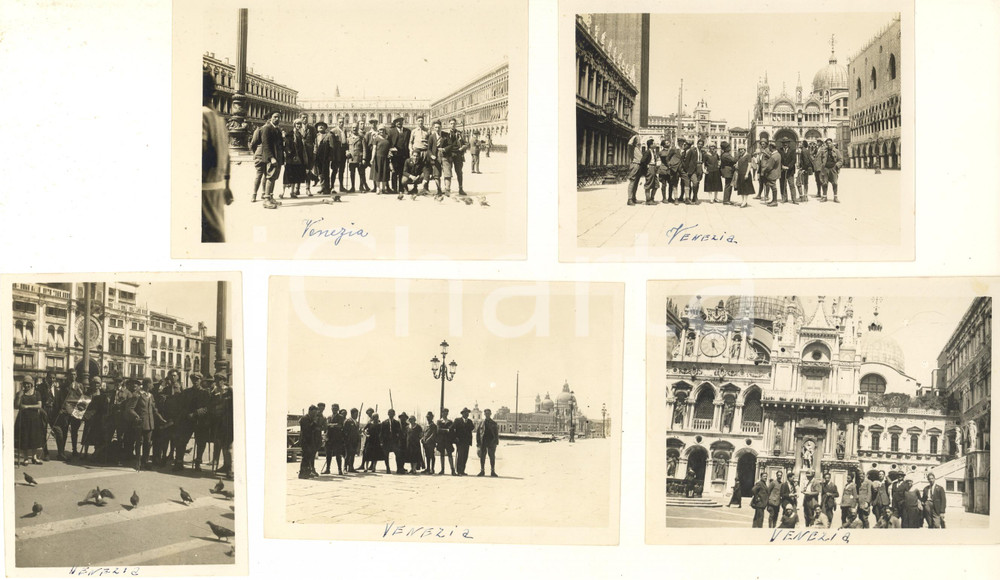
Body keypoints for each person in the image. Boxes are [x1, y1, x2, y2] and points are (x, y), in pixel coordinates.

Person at [201, 70, 233, 243]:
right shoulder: (219, 119)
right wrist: (227, 186)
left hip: (201, 192)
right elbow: (227, 158)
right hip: (217, 189)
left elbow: (202, 153)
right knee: (215, 238)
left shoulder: (201, 115)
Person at [124, 378, 164, 470]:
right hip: (140, 423)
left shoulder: (151, 396)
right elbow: (130, 409)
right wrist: (137, 417)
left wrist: (160, 418)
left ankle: (145, 462)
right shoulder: (138, 395)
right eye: (151, 384)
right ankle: (138, 462)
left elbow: (154, 409)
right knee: (139, 443)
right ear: (147, 385)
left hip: (150, 423)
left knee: (148, 443)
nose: (153, 386)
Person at [53, 370, 85, 460]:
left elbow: (83, 398)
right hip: (66, 410)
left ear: (76, 375)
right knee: (64, 430)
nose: (73, 376)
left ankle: (74, 450)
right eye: (71, 375)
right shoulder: (63, 386)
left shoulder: (80, 385)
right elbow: (59, 398)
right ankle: (62, 451)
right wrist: (60, 409)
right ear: (68, 376)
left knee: (75, 431)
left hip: (76, 410)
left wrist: (80, 391)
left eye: (74, 374)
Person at [14, 376, 46, 465]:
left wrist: (27, 406)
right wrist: (19, 397)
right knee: (24, 438)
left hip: (34, 419)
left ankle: (34, 457)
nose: (27, 385)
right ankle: (25, 458)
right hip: (23, 419)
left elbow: (39, 405)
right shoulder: (20, 393)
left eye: (28, 384)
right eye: (25, 384)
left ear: (32, 384)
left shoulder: (36, 393)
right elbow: (16, 406)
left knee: (34, 438)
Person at [260, 111, 284, 209]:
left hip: (278, 157)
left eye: (278, 117)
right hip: (272, 158)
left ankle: (270, 197)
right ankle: (266, 200)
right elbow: (265, 145)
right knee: (270, 177)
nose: (277, 119)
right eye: (275, 117)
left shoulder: (277, 129)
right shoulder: (267, 128)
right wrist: (272, 158)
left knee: (274, 177)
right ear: (270, 118)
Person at [440, 119, 468, 195]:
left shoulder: (459, 133)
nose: (452, 125)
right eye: (451, 123)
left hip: (458, 154)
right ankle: (447, 189)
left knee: (459, 172)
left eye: (454, 123)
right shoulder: (445, 134)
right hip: (448, 155)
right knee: (447, 172)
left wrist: (463, 147)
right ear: (449, 125)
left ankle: (461, 188)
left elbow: (466, 143)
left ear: (456, 124)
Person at [283, 121, 309, 198]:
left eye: (300, 124)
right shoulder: (290, 134)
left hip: (298, 158)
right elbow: (286, 146)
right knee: (287, 175)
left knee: (295, 175)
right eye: (297, 124)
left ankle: (292, 192)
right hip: (291, 158)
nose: (298, 125)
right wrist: (290, 153)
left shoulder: (299, 135)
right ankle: (283, 192)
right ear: (294, 125)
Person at [386, 117, 410, 194]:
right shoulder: (391, 131)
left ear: (402, 122)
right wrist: (390, 149)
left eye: (400, 121)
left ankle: (401, 188)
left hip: (404, 156)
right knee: (394, 172)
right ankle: (394, 188)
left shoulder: (407, 131)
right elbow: (388, 143)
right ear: (395, 123)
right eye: (397, 122)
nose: (399, 123)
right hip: (395, 156)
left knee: (402, 172)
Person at [313, 121, 335, 198]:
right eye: (319, 125)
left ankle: (327, 188)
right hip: (318, 156)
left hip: (325, 156)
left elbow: (332, 147)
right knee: (320, 172)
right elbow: (315, 146)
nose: (321, 127)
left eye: (323, 125)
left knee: (325, 172)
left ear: (325, 127)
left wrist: (330, 156)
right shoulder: (316, 136)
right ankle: (322, 187)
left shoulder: (328, 136)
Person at [625, 135, 648, 206]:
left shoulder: (638, 148)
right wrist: (634, 136)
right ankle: (629, 199)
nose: (640, 141)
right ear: (635, 141)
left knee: (636, 182)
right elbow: (629, 143)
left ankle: (633, 197)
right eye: (638, 139)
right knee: (632, 181)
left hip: (639, 165)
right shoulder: (632, 147)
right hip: (635, 165)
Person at [323, 404, 346, 475]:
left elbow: (340, 426)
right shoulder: (329, 417)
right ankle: (327, 469)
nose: (334, 409)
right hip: (329, 438)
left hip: (337, 438)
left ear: (338, 409)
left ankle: (339, 469)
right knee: (328, 454)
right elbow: (326, 426)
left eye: (336, 408)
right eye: (333, 408)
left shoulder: (341, 417)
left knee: (338, 455)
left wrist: (331, 425)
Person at [380, 408, 404, 474]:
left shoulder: (397, 423)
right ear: (388, 414)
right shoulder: (384, 423)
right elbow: (381, 433)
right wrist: (381, 442)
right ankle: (388, 468)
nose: (391, 414)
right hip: (386, 442)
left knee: (398, 455)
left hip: (394, 442)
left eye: (392, 413)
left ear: (394, 414)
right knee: (386, 455)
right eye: (390, 413)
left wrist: (399, 440)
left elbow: (400, 432)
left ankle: (399, 468)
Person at [658, 139, 683, 203]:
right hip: (663, 169)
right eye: (667, 143)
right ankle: (664, 198)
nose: (669, 144)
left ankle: (670, 197)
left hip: (671, 169)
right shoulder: (661, 152)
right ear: (663, 145)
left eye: (669, 142)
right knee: (664, 184)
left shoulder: (672, 150)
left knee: (671, 184)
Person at [476, 408, 499, 477]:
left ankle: (492, 471)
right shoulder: (481, 423)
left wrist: (496, 442)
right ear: (484, 414)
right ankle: (482, 471)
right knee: (482, 457)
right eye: (486, 413)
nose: (487, 415)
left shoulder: (494, 423)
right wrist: (478, 444)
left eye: (488, 413)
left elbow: (496, 434)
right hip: (483, 442)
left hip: (491, 442)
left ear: (490, 414)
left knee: (492, 456)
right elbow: (478, 434)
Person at [422, 120, 443, 194]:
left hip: (440, 158)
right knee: (428, 173)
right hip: (432, 158)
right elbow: (429, 149)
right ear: (434, 128)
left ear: (441, 127)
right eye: (436, 127)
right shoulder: (431, 137)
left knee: (437, 175)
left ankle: (439, 189)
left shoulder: (443, 136)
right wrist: (431, 155)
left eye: (439, 127)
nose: (437, 129)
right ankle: (426, 189)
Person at [682, 138, 706, 204]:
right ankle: (689, 197)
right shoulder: (692, 150)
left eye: (701, 144)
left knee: (697, 183)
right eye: (699, 144)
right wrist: (687, 170)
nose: (700, 145)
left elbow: (704, 161)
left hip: (699, 168)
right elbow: (687, 161)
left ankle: (695, 197)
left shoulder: (703, 152)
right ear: (697, 144)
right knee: (694, 183)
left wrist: (703, 169)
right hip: (692, 169)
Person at [453, 407, 475, 476]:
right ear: (462, 413)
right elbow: (452, 429)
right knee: (460, 456)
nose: (467, 414)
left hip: (467, 442)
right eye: (465, 412)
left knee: (465, 456)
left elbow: (472, 428)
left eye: (467, 413)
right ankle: (459, 471)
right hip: (459, 441)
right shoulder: (457, 420)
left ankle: (462, 470)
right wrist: (455, 438)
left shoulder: (470, 421)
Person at [298, 405, 318, 479]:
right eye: (314, 413)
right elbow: (307, 429)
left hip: (310, 440)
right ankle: (302, 473)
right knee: (305, 457)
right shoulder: (304, 418)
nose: (315, 415)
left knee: (309, 457)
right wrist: (314, 422)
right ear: (310, 411)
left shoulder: (310, 418)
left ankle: (307, 472)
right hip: (305, 440)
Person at [435, 408, 456, 475]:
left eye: (447, 412)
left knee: (450, 454)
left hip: (448, 440)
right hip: (441, 440)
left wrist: (445, 430)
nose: (445, 414)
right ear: (442, 413)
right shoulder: (439, 421)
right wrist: (446, 430)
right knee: (442, 454)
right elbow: (438, 430)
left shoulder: (450, 421)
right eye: (444, 412)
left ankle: (452, 470)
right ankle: (442, 469)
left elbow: (451, 430)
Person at [330, 116, 349, 193]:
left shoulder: (344, 130)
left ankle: (341, 186)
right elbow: (331, 143)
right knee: (335, 170)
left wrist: (347, 150)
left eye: (342, 122)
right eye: (340, 122)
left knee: (342, 170)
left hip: (343, 152)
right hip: (336, 152)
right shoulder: (333, 131)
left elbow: (346, 141)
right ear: (337, 122)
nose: (341, 123)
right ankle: (332, 187)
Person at [372, 126, 391, 194]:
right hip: (378, 157)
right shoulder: (376, 139)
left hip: (385, 158)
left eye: (383, 130)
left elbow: (390, 148)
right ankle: (378, 188)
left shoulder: (388, 138)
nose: (381, 131)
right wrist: (372, 158)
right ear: (378, 131)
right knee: (378, 173)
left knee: (384, 173)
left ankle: (383, 188)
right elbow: (374, 149)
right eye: (380, 130)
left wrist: (390, 153)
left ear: (385, 130)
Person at [346, 125, 365, 195]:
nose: (354, 129)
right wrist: (347, 152)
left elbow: (364, 149)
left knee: (361, 173)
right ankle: (352, 187)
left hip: (359, 158)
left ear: (357, 129)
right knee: (352, 173)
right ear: (351, 128)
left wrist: (364, 158)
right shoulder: (348, 138)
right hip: (352, 158)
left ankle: (361, 187)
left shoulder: (361, 138)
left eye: (356, 128)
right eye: (353, 128)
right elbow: (346, 147)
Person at [778, 137, 797, 204]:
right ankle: (784, 198)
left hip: (790, 171)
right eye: (784, 143)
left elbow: (794, 160)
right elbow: (778, 160)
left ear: (788, 143)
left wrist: (788, 167)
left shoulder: (792, 150)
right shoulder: (779, 150)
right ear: (782, 144)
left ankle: (794, 199)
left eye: (786, 143)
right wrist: (782, 166)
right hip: (782, 170)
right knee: (782, 185)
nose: (785, 144)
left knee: (791, 185)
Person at [343, 408, 361, 473]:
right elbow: (345, 432)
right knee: (348, 454)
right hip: (349, 441)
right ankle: (345, 468)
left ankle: (351, 467)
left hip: (354, 441)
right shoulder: (348, 421)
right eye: (356, 414)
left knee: (353, 454)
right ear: (352, 414)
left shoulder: (356, 422)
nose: (357, 416)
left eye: (357, 414)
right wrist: (346, 440)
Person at [644, 139, 660, 205]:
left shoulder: (653, 152)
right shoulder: (647, 152)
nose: (655, 144)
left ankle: (652, 198)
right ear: (650, 145)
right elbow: (643, 161)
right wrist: (647, 166)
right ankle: (648, 200)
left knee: (656, 184)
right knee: (648, 184)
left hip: (654, 168)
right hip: (650, 167)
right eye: (654, 143)